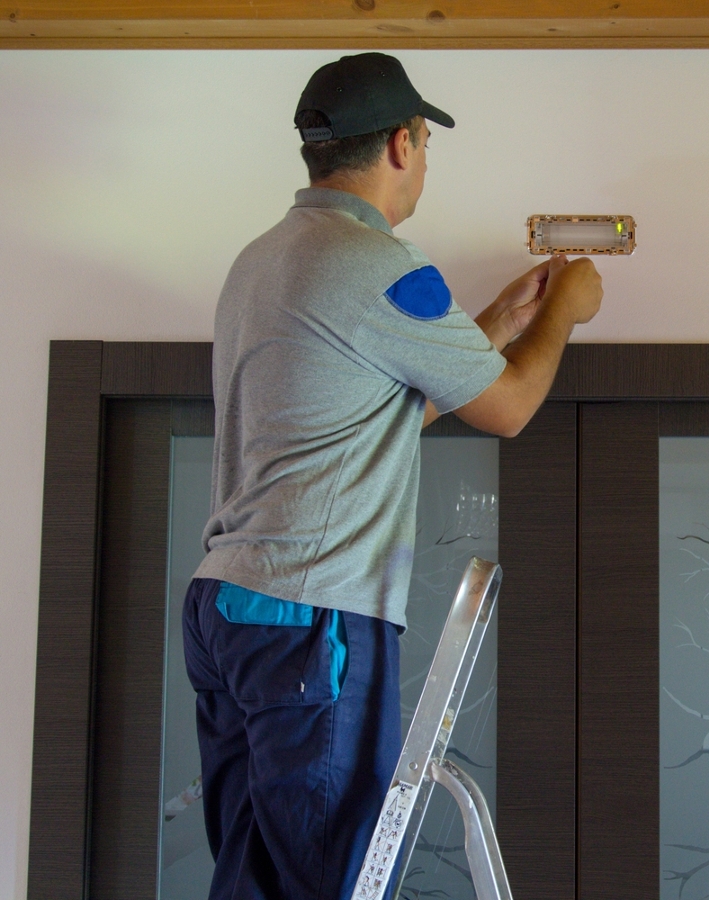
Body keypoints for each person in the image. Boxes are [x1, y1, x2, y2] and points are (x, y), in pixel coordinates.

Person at [182, 52, 602, 900]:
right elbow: (512, 407)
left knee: (252, 874)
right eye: (425, 140)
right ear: (405, 144)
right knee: (328, 878)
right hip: (312, 615)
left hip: (228, 609)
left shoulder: (261, 262)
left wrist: (491, 323)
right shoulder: (376, 262)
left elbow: (377, 412)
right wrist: (568, 305)